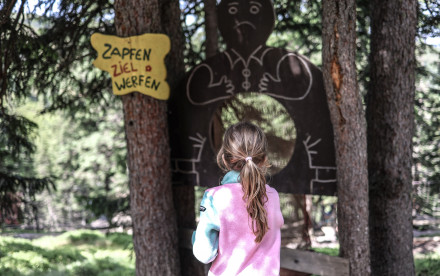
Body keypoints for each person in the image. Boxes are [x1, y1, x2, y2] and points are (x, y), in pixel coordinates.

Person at [192, 122, 284, 276]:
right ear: (264, 159)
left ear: (225, 158)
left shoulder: (214, 198)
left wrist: (196, 236)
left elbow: (205, 254)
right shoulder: (273, 195)